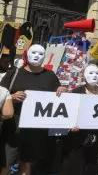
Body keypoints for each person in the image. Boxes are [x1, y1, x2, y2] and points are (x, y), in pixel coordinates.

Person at [0, 44, 65, 175]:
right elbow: (1, 93)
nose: (37, 56)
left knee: (27, 163)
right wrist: (11, 97)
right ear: (27, 54)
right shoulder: (14, 72)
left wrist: (61, 91)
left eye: (41, 54)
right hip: (13, 127)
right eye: (34, 52)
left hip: (35, 130)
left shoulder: (50, 76)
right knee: (5, 164)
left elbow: (58, 99)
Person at [61, 64, 98, 175]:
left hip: (95, 138)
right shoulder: (76, 92)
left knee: (91, 168)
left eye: (97, 73)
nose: (94, 76)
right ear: (84, 75)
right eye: (91, 73)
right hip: (78, 139)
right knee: (76, 167)